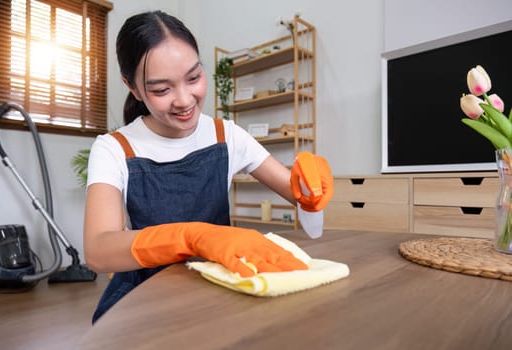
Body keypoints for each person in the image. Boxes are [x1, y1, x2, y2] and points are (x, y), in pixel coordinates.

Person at [84, 10, 333, 323]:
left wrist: (311, 189)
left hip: (222, 284)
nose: (185, 100)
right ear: (132, 87)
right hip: (146, 295)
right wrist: (192, 238)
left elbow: (302, 201)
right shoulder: (114, 148)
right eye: (162, 90)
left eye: (193, 78)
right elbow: (98, 250)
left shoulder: (225, 135)